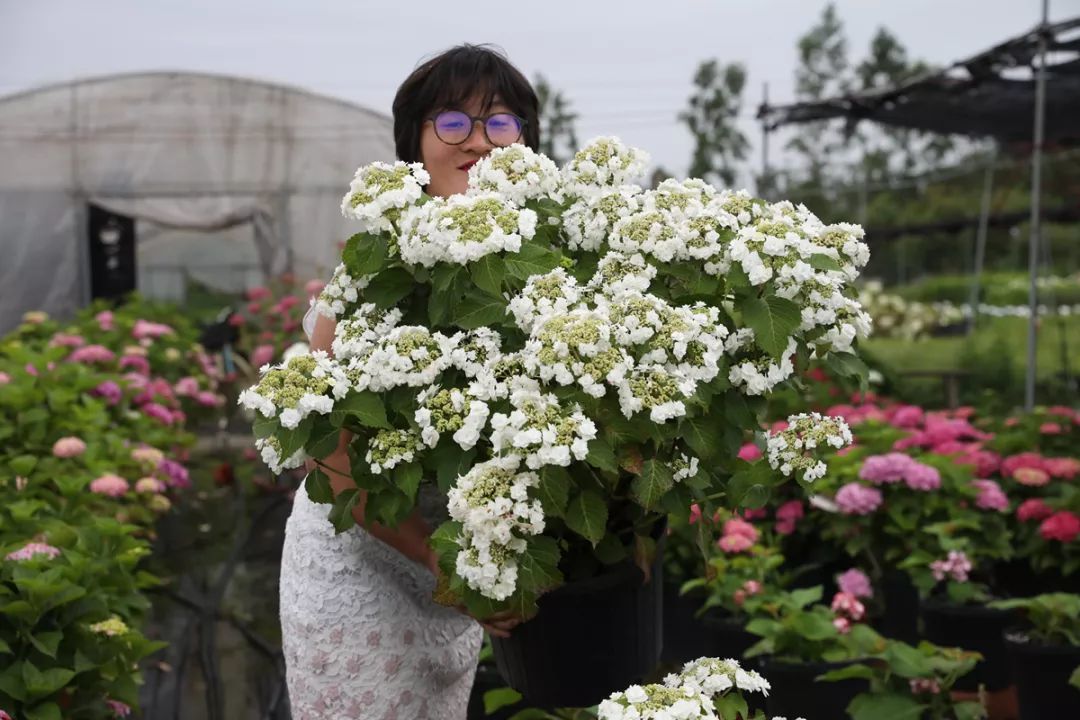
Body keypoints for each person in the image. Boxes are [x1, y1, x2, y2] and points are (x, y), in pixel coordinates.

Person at [278, 44, 540, 719]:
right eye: (453, 123)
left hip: (450, 562)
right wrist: (445, 564)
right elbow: (329, 458)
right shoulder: (376, 270)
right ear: (415, 143)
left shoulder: (540, 264)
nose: (479, 141)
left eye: (501, 122)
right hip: (360, 559)